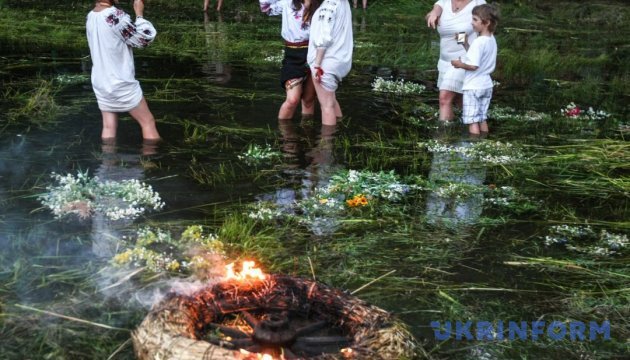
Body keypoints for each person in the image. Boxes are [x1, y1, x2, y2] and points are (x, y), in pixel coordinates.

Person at [86, 0, 160, 141]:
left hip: (101, 82)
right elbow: (144, 39)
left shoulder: (91, 15)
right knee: (147, 122)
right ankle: (151, 161)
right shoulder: (116, 16)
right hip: (120, 82)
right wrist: (139, 14)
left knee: (108, 127)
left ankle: (107, 162)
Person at [425, 0, 486, 122]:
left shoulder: (478, 3)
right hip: (445, 62)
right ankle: (476, 129)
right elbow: (434, 12)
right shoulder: (444, 2)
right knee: (460, 102)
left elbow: (486, 30)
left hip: (464, 60)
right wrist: (432, 15)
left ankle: (445, 136)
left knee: (444, 98)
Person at [259, 0, 318, 119]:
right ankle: (284, 135)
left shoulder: (320, 5)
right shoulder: (288, 3)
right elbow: (265, 6)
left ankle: (307, 133)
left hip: (315, 54)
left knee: (308, 99)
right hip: (293, 55)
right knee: (292, 100)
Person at [451, 4, 498, 134]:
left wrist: (459, 64)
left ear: (486, 23)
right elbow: (477, 57)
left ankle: (474, 146)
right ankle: (484, 142)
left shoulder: (478, 42)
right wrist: (465, 43)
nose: (472, 23)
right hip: (486, 85)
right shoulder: (491, 39)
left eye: (475, 20)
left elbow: (473, 65)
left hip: (473, 86)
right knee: (482, 118)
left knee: (472, 120)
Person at [308, 0, 353, 126]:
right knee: (331, 101)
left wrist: (317, 65)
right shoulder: (343, 3)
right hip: (339, 60)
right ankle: (339, 130)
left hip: (326, 62)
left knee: (326, 106)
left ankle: (327, 143)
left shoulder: (329, 5)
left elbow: (323, 37)